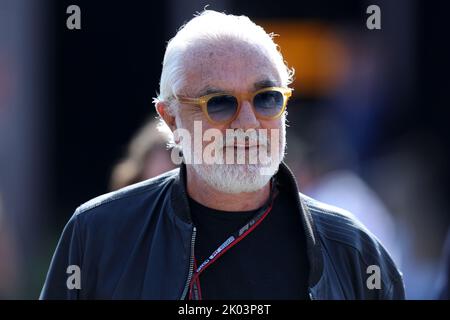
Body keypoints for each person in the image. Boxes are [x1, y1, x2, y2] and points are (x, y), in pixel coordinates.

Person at [40, 10, 404, 300]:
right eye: (219, 104)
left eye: (266, 98)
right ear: (170, 118)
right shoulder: (98, 235)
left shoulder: (353, 251)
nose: (247, 123)